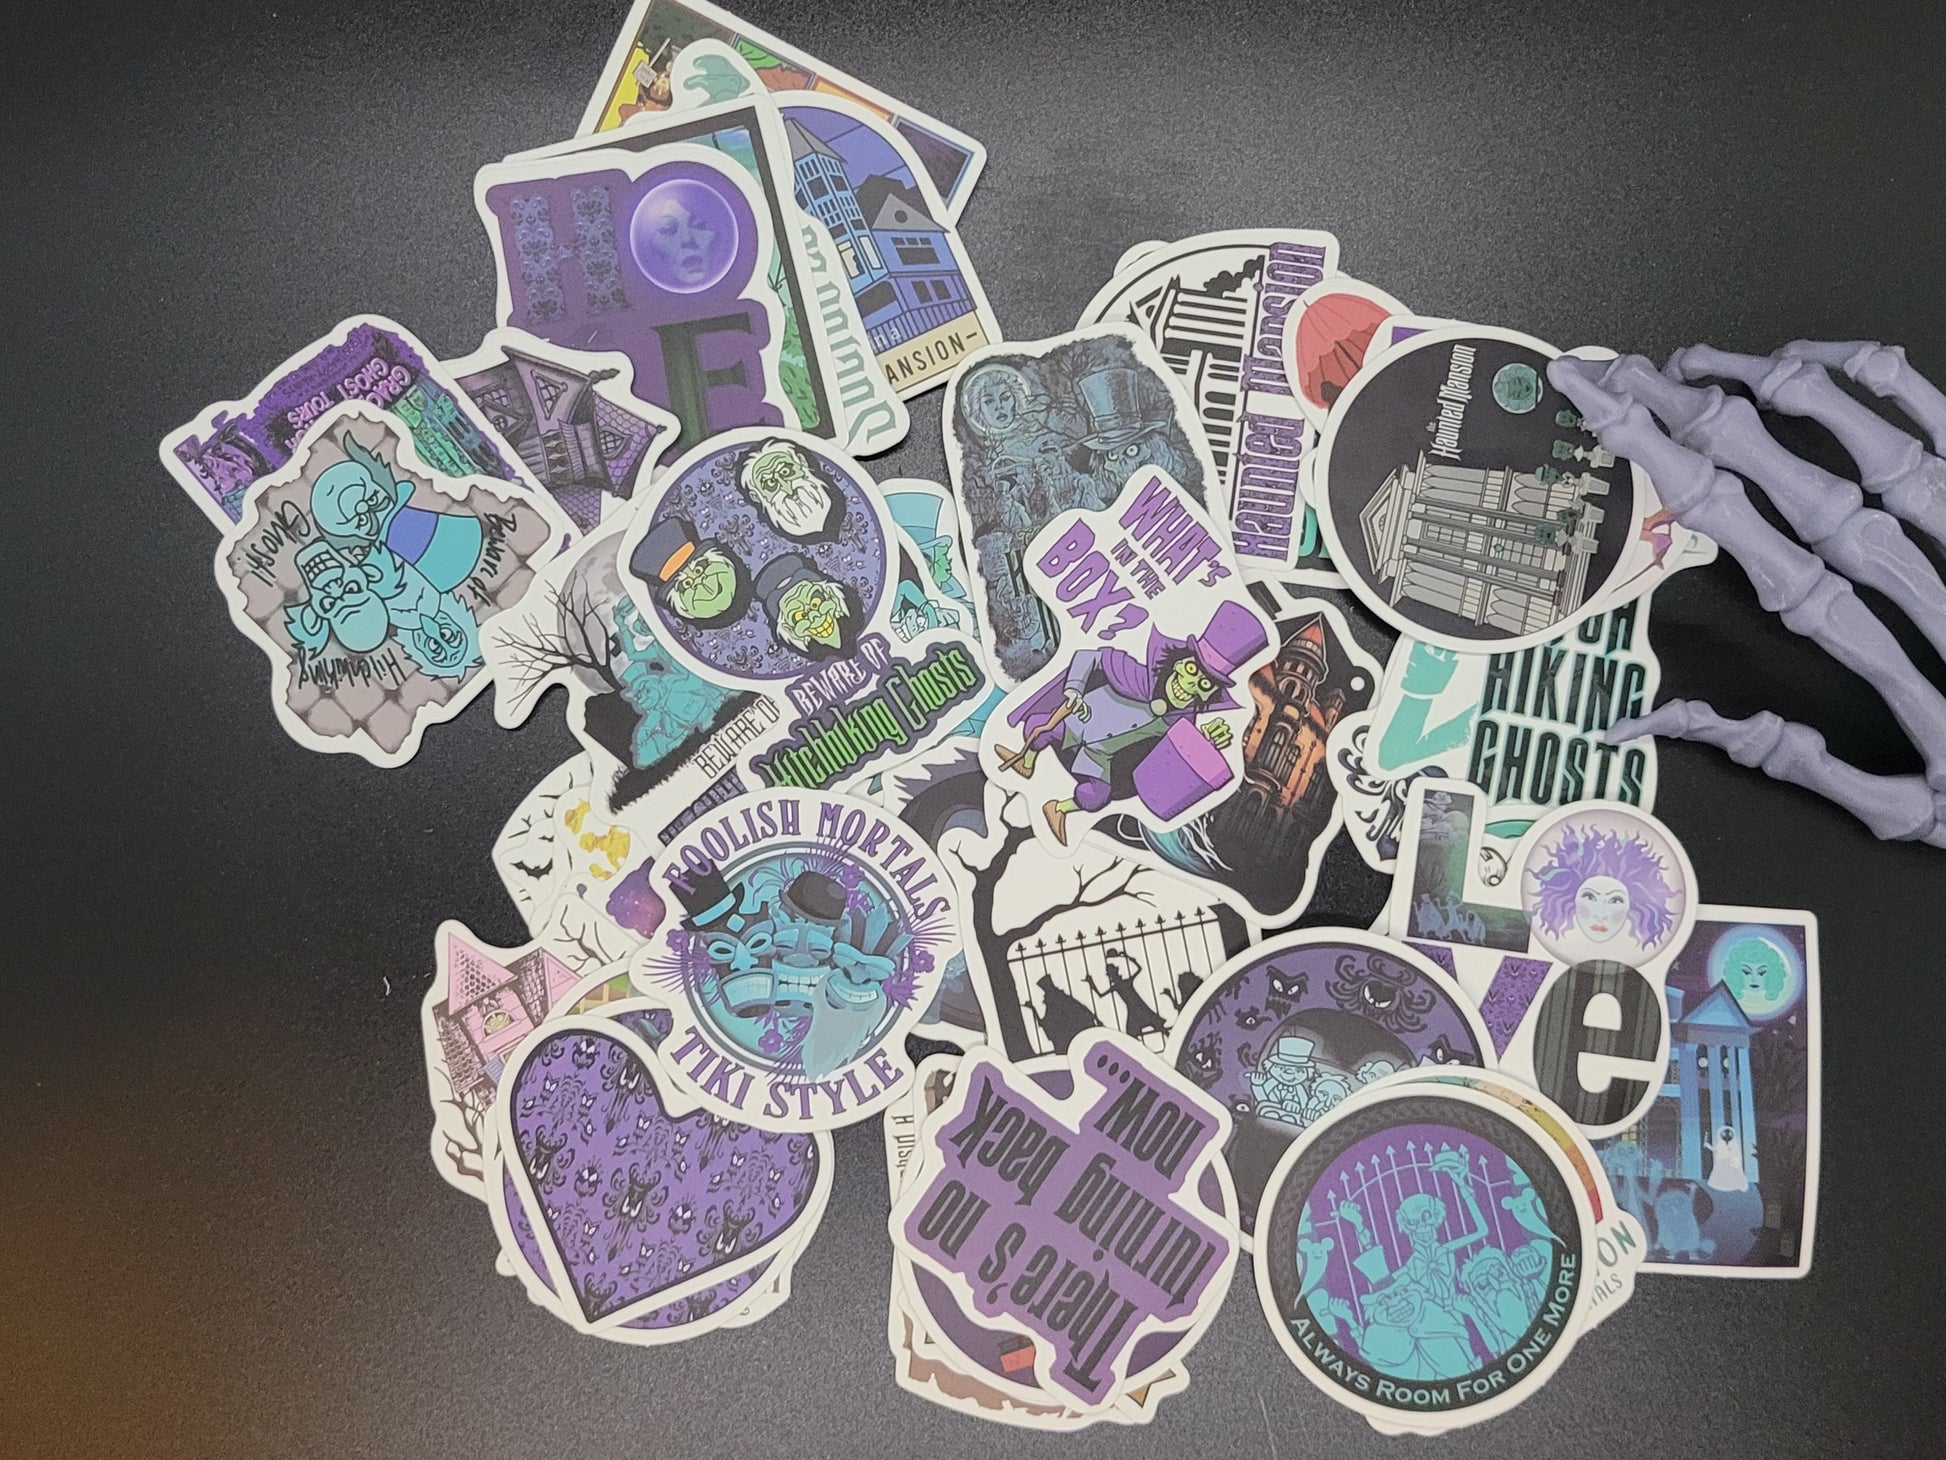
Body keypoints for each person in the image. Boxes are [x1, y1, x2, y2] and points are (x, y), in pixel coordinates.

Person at [994, 601, 1267, 845]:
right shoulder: (1134, 674)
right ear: (1178, 664)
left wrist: (1204, 742)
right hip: (1077, 724)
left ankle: (1058, 808)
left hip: (1098, 758)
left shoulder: (1181, 722)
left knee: (1097, 797)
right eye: (1191, 670)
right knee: (1039, 726)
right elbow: (1090, 656)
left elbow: (1178, 755)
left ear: (1209, 694)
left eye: (1204, 684)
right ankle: (1026, 762)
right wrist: (1074, 691)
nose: (1189, 684)